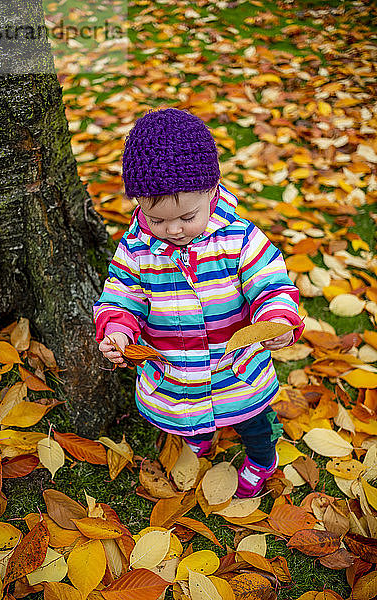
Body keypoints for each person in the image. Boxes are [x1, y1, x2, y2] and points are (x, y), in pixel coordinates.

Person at [93, 108, 304, 497]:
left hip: (234, 365)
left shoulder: (238, 238)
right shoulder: (137, 248)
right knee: (185, 411)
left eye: (187, 217)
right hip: (175, 364)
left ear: (212, 190)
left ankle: (261, 457)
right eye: (156, 219)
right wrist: (119, 330)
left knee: (251, 419)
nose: (172, 230)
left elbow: (271, 284)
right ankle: (199, 436)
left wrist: (277, 321)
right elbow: (121, 294)